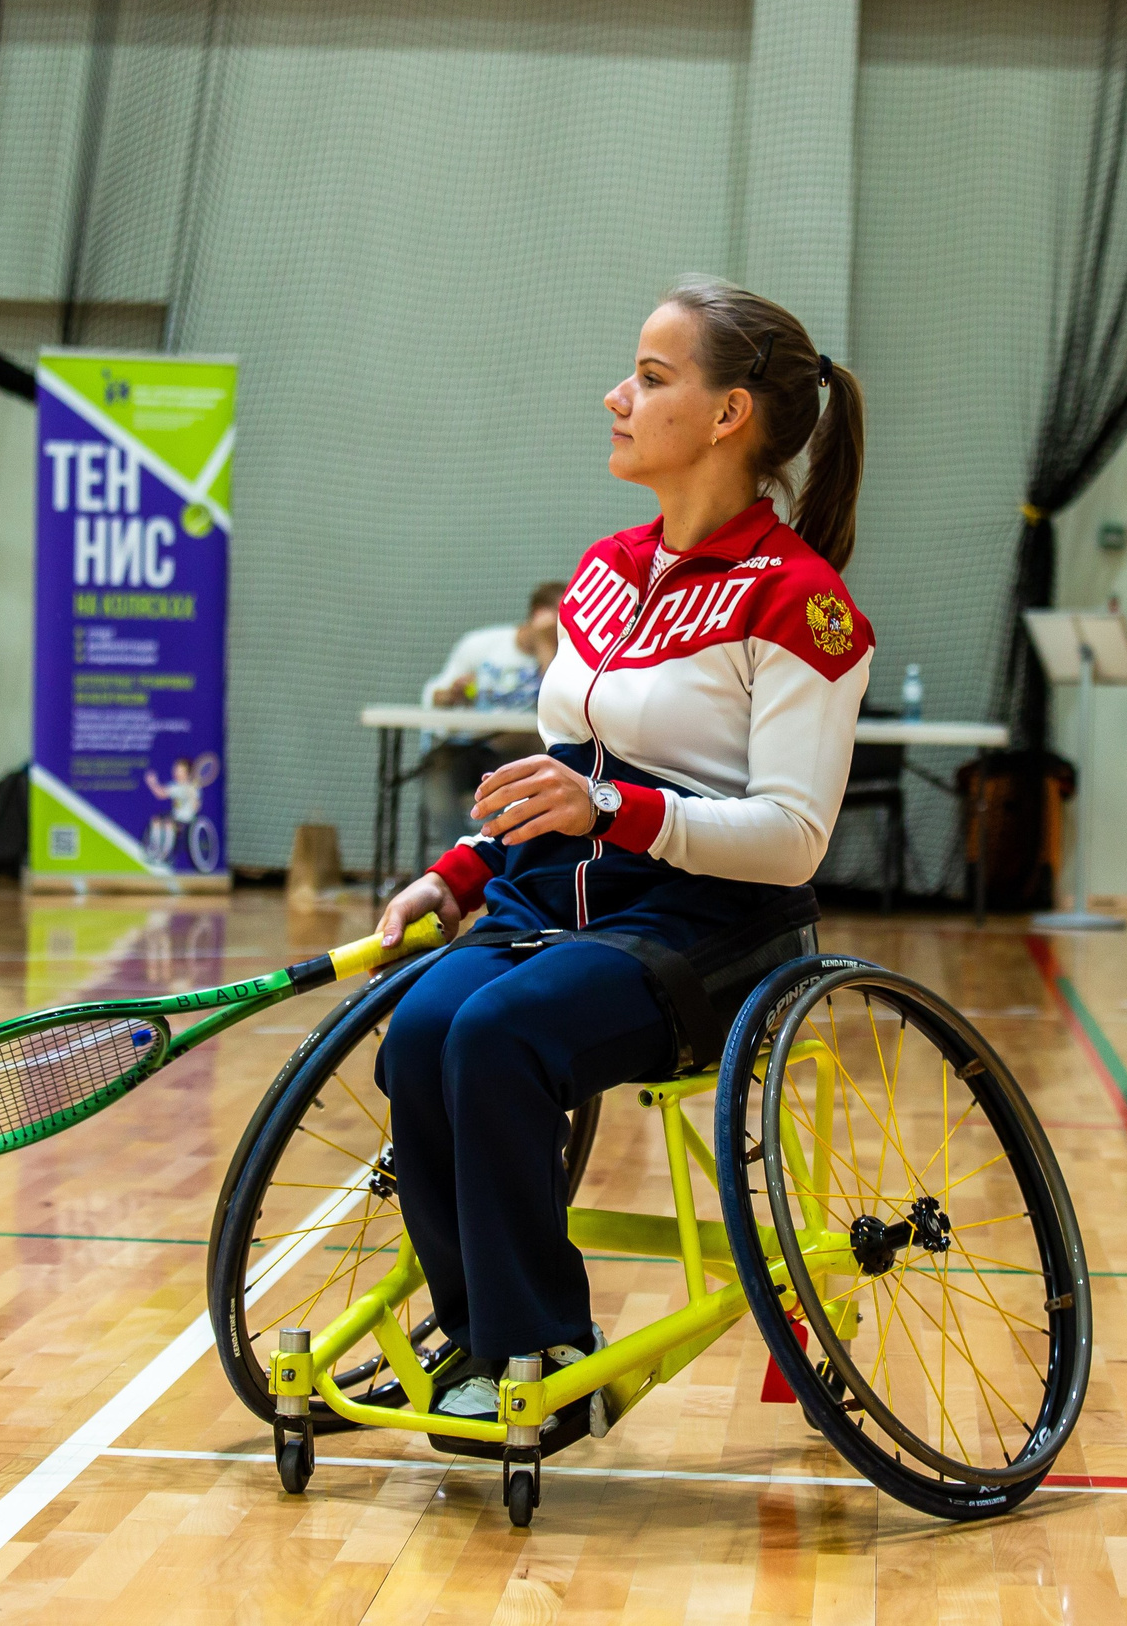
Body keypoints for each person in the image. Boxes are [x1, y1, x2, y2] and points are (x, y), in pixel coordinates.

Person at [369, 278, 871, 1446]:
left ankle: (545, 1351)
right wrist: (458, 873)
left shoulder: (804, 605)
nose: (616, 397)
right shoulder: (602, 569)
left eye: (650, 378)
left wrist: (614, 810)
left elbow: (794, 835)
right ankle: (479, 1343)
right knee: (422, 1032)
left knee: (498, 1035)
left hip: (705, 931)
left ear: (729, 413)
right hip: (545, 903)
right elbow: (561, 773)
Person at [420, 582, 562, 834]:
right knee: (436, 778)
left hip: (519, 756)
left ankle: (496, 848)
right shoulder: (481, 644)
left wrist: (546, 647)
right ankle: (460, 850)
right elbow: (435, 695)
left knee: (524, 796)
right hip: (464, 748)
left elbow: (557, 706)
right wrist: (453, 693)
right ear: (539, 613)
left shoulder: (564, 659)